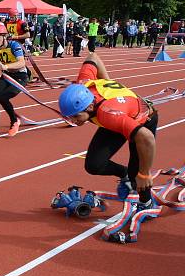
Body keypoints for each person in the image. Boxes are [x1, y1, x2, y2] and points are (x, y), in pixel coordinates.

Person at [58, 51, 158, 212]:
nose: (74, 121)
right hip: (118, 116)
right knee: (94, 165)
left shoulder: (108, 114)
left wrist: (145, 174)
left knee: (137, 176)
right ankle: (123, 173)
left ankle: (147, 204)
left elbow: (146, 138)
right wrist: (108, 81)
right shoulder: (83, 84)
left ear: (89, 106)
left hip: (143, 120)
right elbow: (92, 57)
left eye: (76, 116)